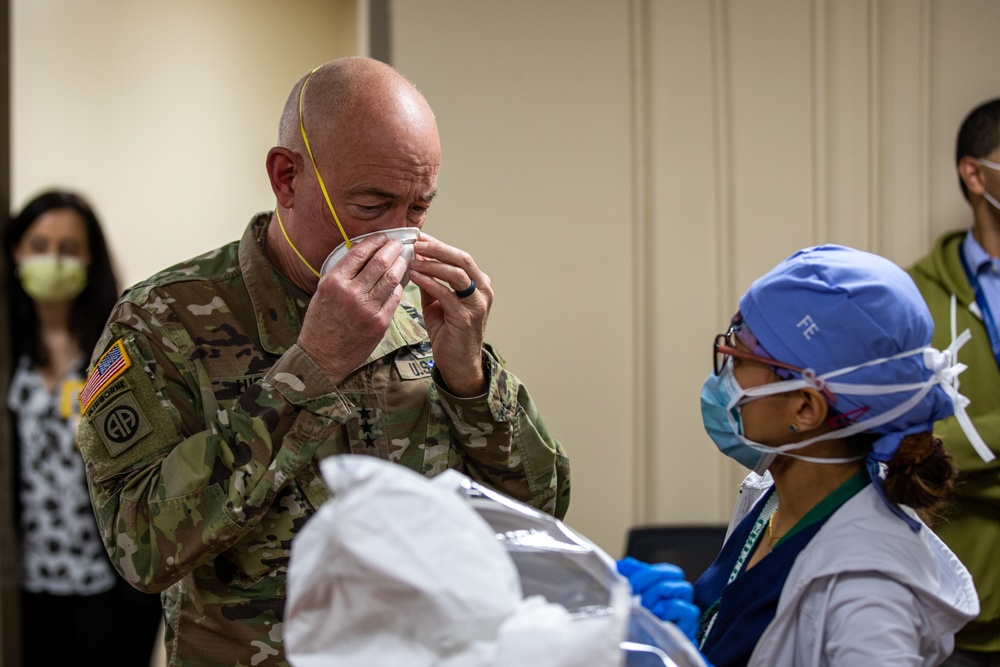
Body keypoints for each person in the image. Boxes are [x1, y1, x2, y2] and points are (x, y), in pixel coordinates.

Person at [75, 56, 570, 666]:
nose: (398, 235)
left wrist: (471, 380)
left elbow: (540, 515)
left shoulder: (420, 307)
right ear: (286, 179)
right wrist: (308, 369)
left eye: (418, 208)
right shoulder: (161, 320)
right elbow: (140, 545)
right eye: (372, 206)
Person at [619, 245, 989, 667]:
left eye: (739, 356)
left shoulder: (870, 594)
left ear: (806, 409)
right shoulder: (777, 498)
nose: (722, 373)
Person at [3, 190, 162, 665]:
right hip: (24, 587)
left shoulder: (119, 346)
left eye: (68, 248)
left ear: (91, 257)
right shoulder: (7, 346)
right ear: (16, 251)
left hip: (109, 585)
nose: (53, 260)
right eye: (39, 245)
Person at [907, 97, 1000, 667]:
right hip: (959, 607)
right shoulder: (915, 298)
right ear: (974, 173)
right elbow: (912, 443)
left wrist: (975, 448)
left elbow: (954, 441)